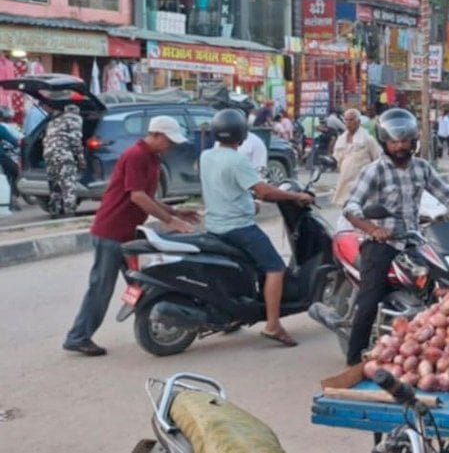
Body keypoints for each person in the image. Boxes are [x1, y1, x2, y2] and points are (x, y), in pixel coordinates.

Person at [342, 108, 449, 365]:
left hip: (413, 240)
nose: (400, 146)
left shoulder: (421, 168)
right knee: (369, 300)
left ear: (414, 141)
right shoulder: (374, 171)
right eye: (394, 141)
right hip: (381, 244)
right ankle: (354, 359)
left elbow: (446, 194)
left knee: (440, 283)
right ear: (384, 142)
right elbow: (351, 208)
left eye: (405, 140)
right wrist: (374, 230)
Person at [62, 117, 199, 356]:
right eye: (168, 141)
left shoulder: (151, 158)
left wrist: (175, 211)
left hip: (127, 232)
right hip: (111, 231)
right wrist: (170, 221)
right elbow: (138, 196)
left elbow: (147, 196)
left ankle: (157, 327)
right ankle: (78, 336)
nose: (171, 147)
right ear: (155, 135)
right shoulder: (136, 155)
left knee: (144, 282)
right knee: (102, 287)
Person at [201, 109, 315, 347]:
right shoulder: (237, 159)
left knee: (246, 269)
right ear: (241, 135)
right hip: (238, 227)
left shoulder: (207, 156)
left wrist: (250, 202)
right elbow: (265, 191)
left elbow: (228, 187)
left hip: (214, 225)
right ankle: (273, 325)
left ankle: (236, 315)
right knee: (275, 268)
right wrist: (295, 196)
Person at [332, 109, 384, 207]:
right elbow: (336, 158)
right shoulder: (341, 139)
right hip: (345, 182)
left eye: (351, 120)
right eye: (346, 120)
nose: (348, 123)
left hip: (363, 183)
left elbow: (378, 159)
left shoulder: (368, 140)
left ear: (358, 122)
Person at [46, 105, 85, 217]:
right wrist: (81, 159)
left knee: (54, 184)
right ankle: (69, 211)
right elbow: (75, 141)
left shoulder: (54, 121)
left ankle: (54, 210)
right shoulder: (75, 119)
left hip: (49, 154)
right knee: (68, 184)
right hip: (64, 154)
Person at [0, 107, 22, 211]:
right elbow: (14, 141)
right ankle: (12, 198)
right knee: (14, 170)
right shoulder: (1, 128)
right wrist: (20, 144)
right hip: (1, 156)